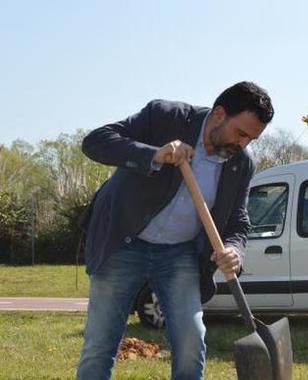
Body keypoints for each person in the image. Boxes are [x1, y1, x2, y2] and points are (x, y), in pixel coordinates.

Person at [76, 81, 274, 380]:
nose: (243, 144)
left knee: (192, 340)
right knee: (100, 343)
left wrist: (235, 248)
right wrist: (154, 154)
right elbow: (95, 142)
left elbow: (238, 221)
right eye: (241, 133)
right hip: (124, 242)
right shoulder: (165, 117)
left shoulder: (241, 165)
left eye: (251, 139)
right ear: (219, 114)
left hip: (179, 254)